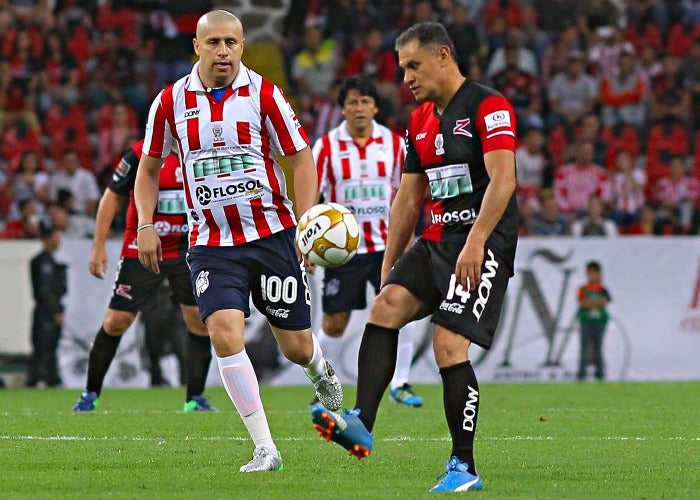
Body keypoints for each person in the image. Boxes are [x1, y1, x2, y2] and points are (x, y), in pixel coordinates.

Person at [311, 22, 519, 493]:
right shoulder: (419, 120)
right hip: (438, 238)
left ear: (443, 56)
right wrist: (390, 262)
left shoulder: (489, 106)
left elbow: (503, 181)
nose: (405, 76)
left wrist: (477, 240)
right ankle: (361, 424)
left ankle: (464, 467)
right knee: (384, 308)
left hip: (483, 243)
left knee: (448, 344)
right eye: (402, 67)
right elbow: (408, 198)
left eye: (413, 65)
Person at [134, 10, 342, 473]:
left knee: (296, 347)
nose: (223, 51)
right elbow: (147, 170)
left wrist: (306, 221)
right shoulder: (169, 102)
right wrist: (146, 224)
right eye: (214, 43)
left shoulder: (265, 94)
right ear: (197, 46)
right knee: (224, 333)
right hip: (211, 243)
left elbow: (302, 159)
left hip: (271, 236)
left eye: (231, 42)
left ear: (243, 46)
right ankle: (265, 449)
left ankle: (319, 370)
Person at [71, 139, 216, 413]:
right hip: (143, 247)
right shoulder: (141, 153)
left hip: (188, 248)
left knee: (198, 319)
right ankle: (90, 394)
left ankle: (195, 398)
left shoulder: (202, 151)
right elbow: (112, 195)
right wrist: (98, 246)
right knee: (117, 321)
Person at [311, 75, 423, 408]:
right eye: (352, 102)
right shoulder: (326, 147)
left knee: (402, 312)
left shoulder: (394, 144)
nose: (359, 108)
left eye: (365, 102)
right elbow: (312, 196)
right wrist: (307, 246)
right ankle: (324, 388)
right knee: (334, 322)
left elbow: (408, 195)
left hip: (388, 246)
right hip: (341, 252)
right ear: (342, 108)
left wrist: (410, 240)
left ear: (375, 107)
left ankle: (400, 383)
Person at [27, 223, 67, 387]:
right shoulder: (41, 262)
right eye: (56, 237)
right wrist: (56, 311)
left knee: (51, 345)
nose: (58, 241)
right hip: (45, 310)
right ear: (48, 239)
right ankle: (36, 379)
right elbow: (45, 290)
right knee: (43, 345)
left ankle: (51, 378)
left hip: (50, 308)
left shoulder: (52, 261)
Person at [576, 261, 611, 381]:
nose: (592, 276)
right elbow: (582, 302)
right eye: (589, 273)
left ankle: (600, 374)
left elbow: (605, 302)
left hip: (600, 322)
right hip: (586, 322)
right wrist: (596, 303)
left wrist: (590, 303)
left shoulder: (602, 289)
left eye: (594, 273)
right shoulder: (583, 288)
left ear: (599, 274)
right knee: (584, 348)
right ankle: (581, 374)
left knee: (598, 348)